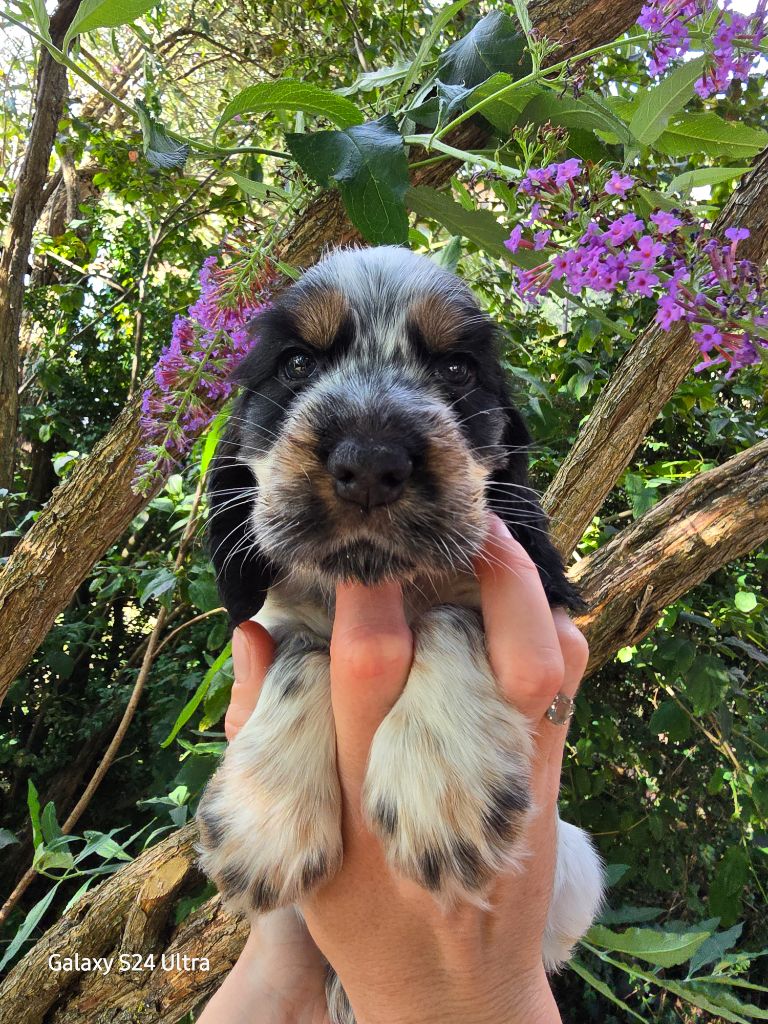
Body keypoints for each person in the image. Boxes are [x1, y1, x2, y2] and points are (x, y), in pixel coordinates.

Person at [198, 514, 589, 1024]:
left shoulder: (472, 562)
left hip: (489, 920)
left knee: (577, 868)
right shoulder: (285, 580)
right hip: (315, 955)